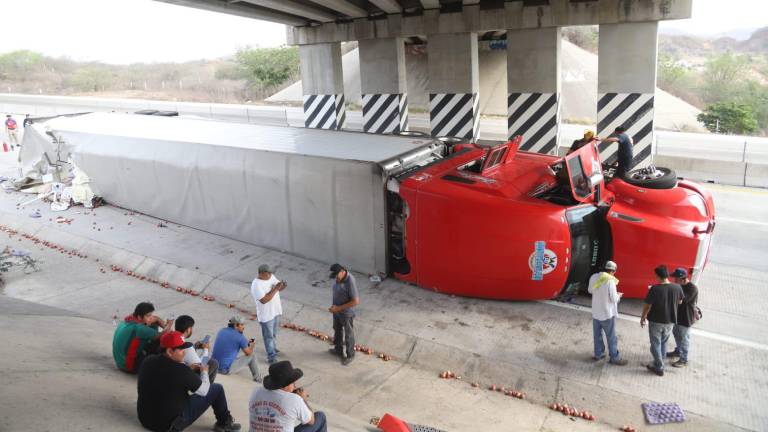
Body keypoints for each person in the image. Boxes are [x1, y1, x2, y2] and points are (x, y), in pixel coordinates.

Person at [137, 331, 241, 432]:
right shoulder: (181, 370)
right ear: (169, 351)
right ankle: (224, 423)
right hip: (168, 426)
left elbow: (167, 377)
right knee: (217, 389)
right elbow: (204, 391)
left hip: (145, 419)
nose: (185, 352)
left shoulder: (148, 360)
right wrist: (204, 372)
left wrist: (188, 369)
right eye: (181, 349)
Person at [249, 361, 327, 432]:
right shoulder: (295, 400)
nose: (295, 385)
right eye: (293, 382)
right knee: (320, 416)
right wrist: (303, 399)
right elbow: (311, 420)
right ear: (286, 385)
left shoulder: (256, 392)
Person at [640, 265, 684, 376]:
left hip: (656, 321)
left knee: (655, 344)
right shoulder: (677, 287)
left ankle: (659, 367)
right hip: (670, 322)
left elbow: (647, 305)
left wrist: (643, 317)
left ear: (657, 276)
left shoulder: (655, 289)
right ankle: (659, 362)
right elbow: (680, 302)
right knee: (664, 342)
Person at [112, 302, 172, 373]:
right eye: (148, 316)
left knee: (153, 325)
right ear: (139, 317)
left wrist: (156, 320)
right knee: (162, 343)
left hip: (120, 362)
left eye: (151, 315)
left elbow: (155, 319)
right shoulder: (140, 328)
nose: (151, 318)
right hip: (128, 366)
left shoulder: (129, 319)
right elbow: (165, 335)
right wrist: (169, 325)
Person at [587, 261, 628, 366]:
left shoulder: (594, 277)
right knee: (611, 337)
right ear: (613, 271)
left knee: (597, 335)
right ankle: (614, 358)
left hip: (596, 312)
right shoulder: (610, 281)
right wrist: (619, 295)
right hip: (607, 314)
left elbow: (590, 290)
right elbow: (614, 298)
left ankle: (598, 354)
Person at [250, 264, 286, 365]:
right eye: (268, 273)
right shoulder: (256, 285)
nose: (271, 275)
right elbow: (264, 300)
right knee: (268, 337)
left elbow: (279, 287)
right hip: (266, 316)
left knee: (274, 334)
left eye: (271, 273)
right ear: (262, 273)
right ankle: (271, 357)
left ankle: (273, 349)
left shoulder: (271, 277)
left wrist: (282, 286)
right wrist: (275, 289)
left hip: (275, 311)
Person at [211, 316, 262, 382]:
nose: (244, 327)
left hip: (214, 366)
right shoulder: (240, 337)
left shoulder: (222, 330)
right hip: (224, 370)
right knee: (252, 356)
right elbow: (248, 353)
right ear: (236, 325)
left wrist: (246, 343)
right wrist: (252, 345)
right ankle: (258, 379)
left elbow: (232, 343)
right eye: (242, 325)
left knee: (231, 352)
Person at [327, 263, 360, 366]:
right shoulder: (339, 278)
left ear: (342, 272)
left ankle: (350, 355)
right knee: (337, 330)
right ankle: (338, 350)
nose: (336, 279)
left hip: (346, 314)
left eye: (336, 276)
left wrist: (338, 308)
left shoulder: (350, 281)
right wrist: (334, 308)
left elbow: (355, 301)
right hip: (336, 311)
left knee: (348, 334)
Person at [668, 268, 699, 367]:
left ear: (682, 278)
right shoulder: (679, 286)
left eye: (676, 278)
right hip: (678, 316)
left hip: (686, 318)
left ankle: (683, 359)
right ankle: (678, 351)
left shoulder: (692, 288)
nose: (674, 280)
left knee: (684, 339)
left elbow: (682, 300)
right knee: (676, 333)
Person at [175, 314, 218, 382]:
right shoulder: (186, 346)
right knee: (214, 363)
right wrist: (206, 350)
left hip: (177, 370)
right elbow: (201, 364)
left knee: (212, 362)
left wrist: (194, 347)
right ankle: (206, 388)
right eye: (192, 328)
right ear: (188, 329)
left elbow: (186, 355)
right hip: (184, 377)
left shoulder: (173, 339)